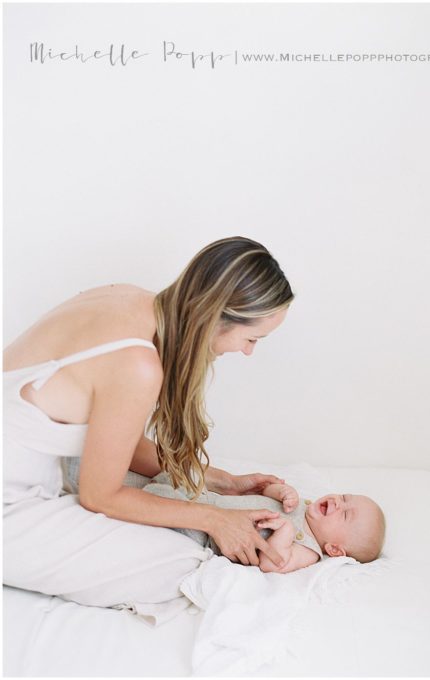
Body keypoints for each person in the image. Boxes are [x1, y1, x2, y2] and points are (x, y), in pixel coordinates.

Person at [4, 236, 295, 619]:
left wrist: (220, 480)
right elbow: (101, 497)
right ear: (216, 317)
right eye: (252, 338)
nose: (247, 352)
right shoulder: (137, 365)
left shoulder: (127, 298)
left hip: (21, 468)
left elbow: (115, 436)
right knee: (184, 565)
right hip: (10, 507)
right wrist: (215, 518)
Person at [143, 474, 386, 571]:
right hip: (209, 501)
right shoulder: (300, 504)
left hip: (206, 534)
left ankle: (142, 501)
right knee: (171, 479)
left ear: (334, 549)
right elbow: (264, 493)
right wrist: (280, 491)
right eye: (344, 497)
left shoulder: (309, 551)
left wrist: (285, 532)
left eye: (344, 514)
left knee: (159, 500)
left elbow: (274, 564)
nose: (338, 503)